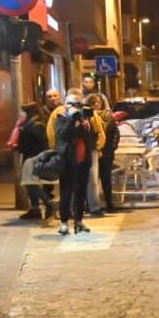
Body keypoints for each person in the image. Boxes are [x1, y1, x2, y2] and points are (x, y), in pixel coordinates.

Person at [54, 92, 100, 235]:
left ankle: (79, 221)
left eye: (77, 105)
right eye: (71, 105)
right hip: (68, 162)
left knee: (80, 193)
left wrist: (85, 125)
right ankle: (64, 223)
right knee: (66, 193)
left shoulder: (84, 119)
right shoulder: (61, 119)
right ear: (65, 106)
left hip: (83, 161)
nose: (74, 108)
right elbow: (63, 135)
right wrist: (71, 121)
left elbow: (91, 140)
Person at [14, 102, 53, 223]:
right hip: (32, 157)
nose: (21, 114)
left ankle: (49, 203)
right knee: (31, 184)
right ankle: (35, 208)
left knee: (31, 184)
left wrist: (18, 146)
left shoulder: (36, 126)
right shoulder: (30, 124)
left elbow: (33, 143)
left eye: (24, 112)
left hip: (33, 158)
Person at [90, 93, 121, 215]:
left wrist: (112, 148)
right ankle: (92, 205)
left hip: (106, 152)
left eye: (98, 102)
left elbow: (115, 134)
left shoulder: (108, 116)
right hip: (92, 151)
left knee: (106, 178)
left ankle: (109, 203)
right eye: (93, 102)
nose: (96, 104)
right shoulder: (88, 116)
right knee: (91, 180)